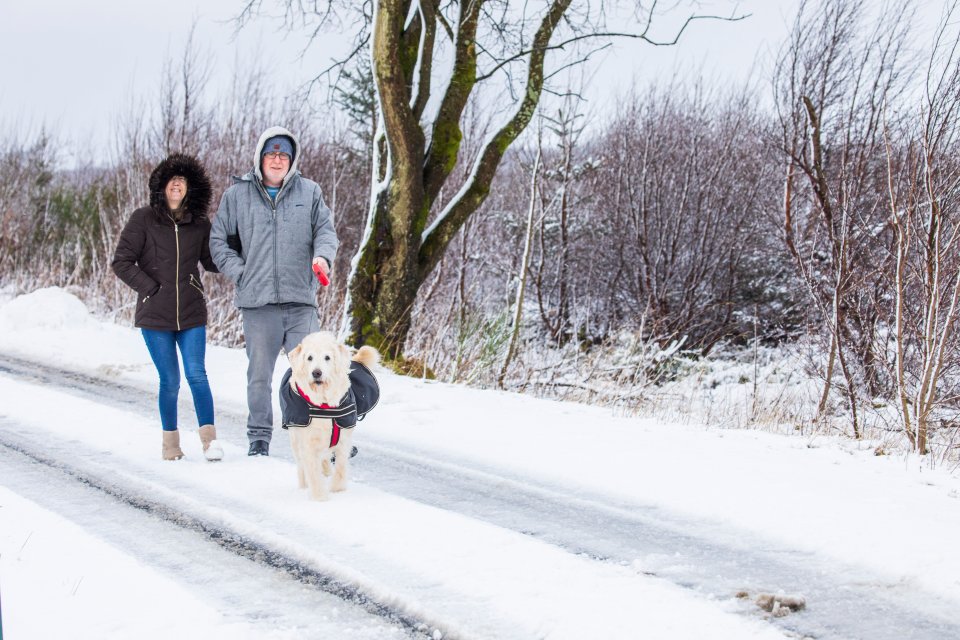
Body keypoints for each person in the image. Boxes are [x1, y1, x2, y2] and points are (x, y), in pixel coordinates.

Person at [210, 126, 338, 456]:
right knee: (259, 377)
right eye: (271, 154)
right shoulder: (236, 196)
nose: (277, 160)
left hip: (300, 301)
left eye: (284, 155)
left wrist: (322, 257)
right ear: (260, 158)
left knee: (316, 371)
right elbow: (218, 241)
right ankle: (258, 440)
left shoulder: (309, 193)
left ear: (292, 160)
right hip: (258, 304)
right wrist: (242, 273)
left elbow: (326, 231)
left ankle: (322, 437)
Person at [112, 153, 224, 462]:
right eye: (171, 180)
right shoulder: (143, 219)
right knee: (170, 381)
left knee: (197, 374)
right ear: (161, 187)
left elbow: (211, 261)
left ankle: (210, 442)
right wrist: (150, 288)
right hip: (154, 316)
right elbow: (121, 262)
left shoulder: (199, 223)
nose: (177, 184)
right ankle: (171, 445)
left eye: (182, 180)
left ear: (190, 188)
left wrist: (235, 243)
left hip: (191, 312)